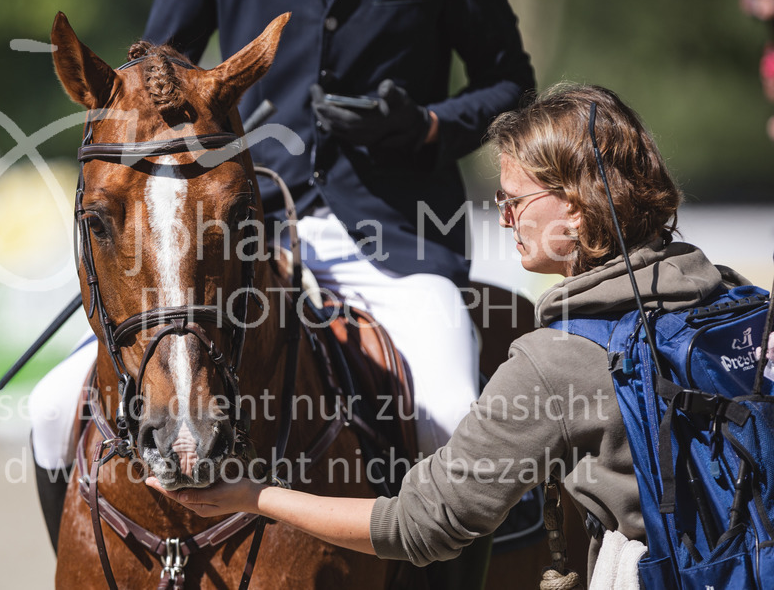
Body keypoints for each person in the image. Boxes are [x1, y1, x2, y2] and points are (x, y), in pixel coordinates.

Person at [28, 0, 534, 552]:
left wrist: (425, 126)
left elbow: (510, 83)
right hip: (239, 231)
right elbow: (154, 75)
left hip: (393, 235)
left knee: (450, 414)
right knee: (50, 410)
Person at [145, 83, 754, 585]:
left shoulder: (554, 360)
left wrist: (253, 496)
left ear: (575, 205)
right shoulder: (737, 300)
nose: (504, 218)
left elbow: (418, 524)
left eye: (514, 200)